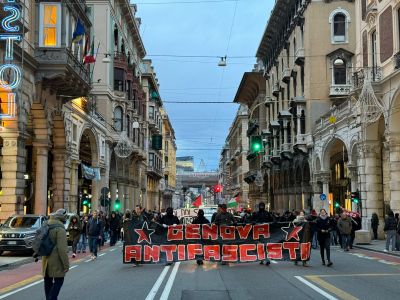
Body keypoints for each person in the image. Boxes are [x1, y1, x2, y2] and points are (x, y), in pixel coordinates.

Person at [42, 208, 69, 300]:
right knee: (59, 280)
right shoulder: (60, 229)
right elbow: (62, 249)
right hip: (56, 260)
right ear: (63, 218)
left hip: (45, 259)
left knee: (47, 281)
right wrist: (66, 265)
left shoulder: (46, 224)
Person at [252, 202, 273, 266]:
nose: (261, 207)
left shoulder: (267, 213)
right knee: (260, 246)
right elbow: (251, 220)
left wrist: (274, 221)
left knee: (266, 246)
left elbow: (271, 220)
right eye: (260, 206)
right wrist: (254, 222)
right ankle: (261, 259)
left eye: (262, 206)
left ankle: (267, 259)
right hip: (258, 233)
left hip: (266, 232)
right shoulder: (256, 214)